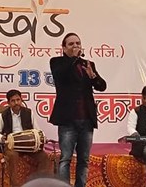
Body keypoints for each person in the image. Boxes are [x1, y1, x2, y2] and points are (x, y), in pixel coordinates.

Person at [49, 33, 107, 187]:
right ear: (63, 48)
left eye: (78, 43)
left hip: (86, 119)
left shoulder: (88, 64)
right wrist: (74, 58)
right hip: (67, 120)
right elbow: (60, 75)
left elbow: (102, 86)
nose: (75, 46)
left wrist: (93, 76)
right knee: (65, 158)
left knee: (84, 160)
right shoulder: (57, 62)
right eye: (71, 44)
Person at [0, 89, 52, 187]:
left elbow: (37, 130)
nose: (16, 103)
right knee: (12, 156)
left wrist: (41, 138)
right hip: (12, 147)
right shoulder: (3, 115)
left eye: (18, 100)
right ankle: (15, 185)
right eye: (13, 101)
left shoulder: (29, 113)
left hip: (29, 146)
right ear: (8, 103)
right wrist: (2, 138)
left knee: (44, 157)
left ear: (21, 100)